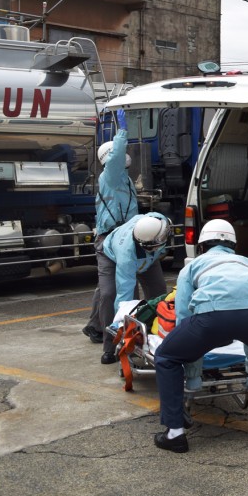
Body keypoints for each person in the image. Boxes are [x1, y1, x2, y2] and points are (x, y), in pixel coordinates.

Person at [153, 220, 248, 453]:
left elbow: (184, 313)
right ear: (233, 244)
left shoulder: (193, 266)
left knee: (166, 357)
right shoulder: (247, 263)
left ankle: (175, 433)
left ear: (202, 245)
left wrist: (193, 372)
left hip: (211, 320)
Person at [83, 110, 138, 344]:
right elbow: (116, 157)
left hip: (122, 237)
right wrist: (122, 132)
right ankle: (113, 332)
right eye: (121, 152)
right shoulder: (111, 176)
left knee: (105, 288)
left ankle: (95, 326)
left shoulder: (123, 179)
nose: (126, 156)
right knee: (115, 289)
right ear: (112, 156)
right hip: (112, 239)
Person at [97, 212, 171, 364]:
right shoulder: (127, 256)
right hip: (111, 256)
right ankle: (111, 346)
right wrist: (122, 325)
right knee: (109, 294)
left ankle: (159, 341)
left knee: (159, 292)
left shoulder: (159, 222)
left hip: (150, 258)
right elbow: (124, 296)